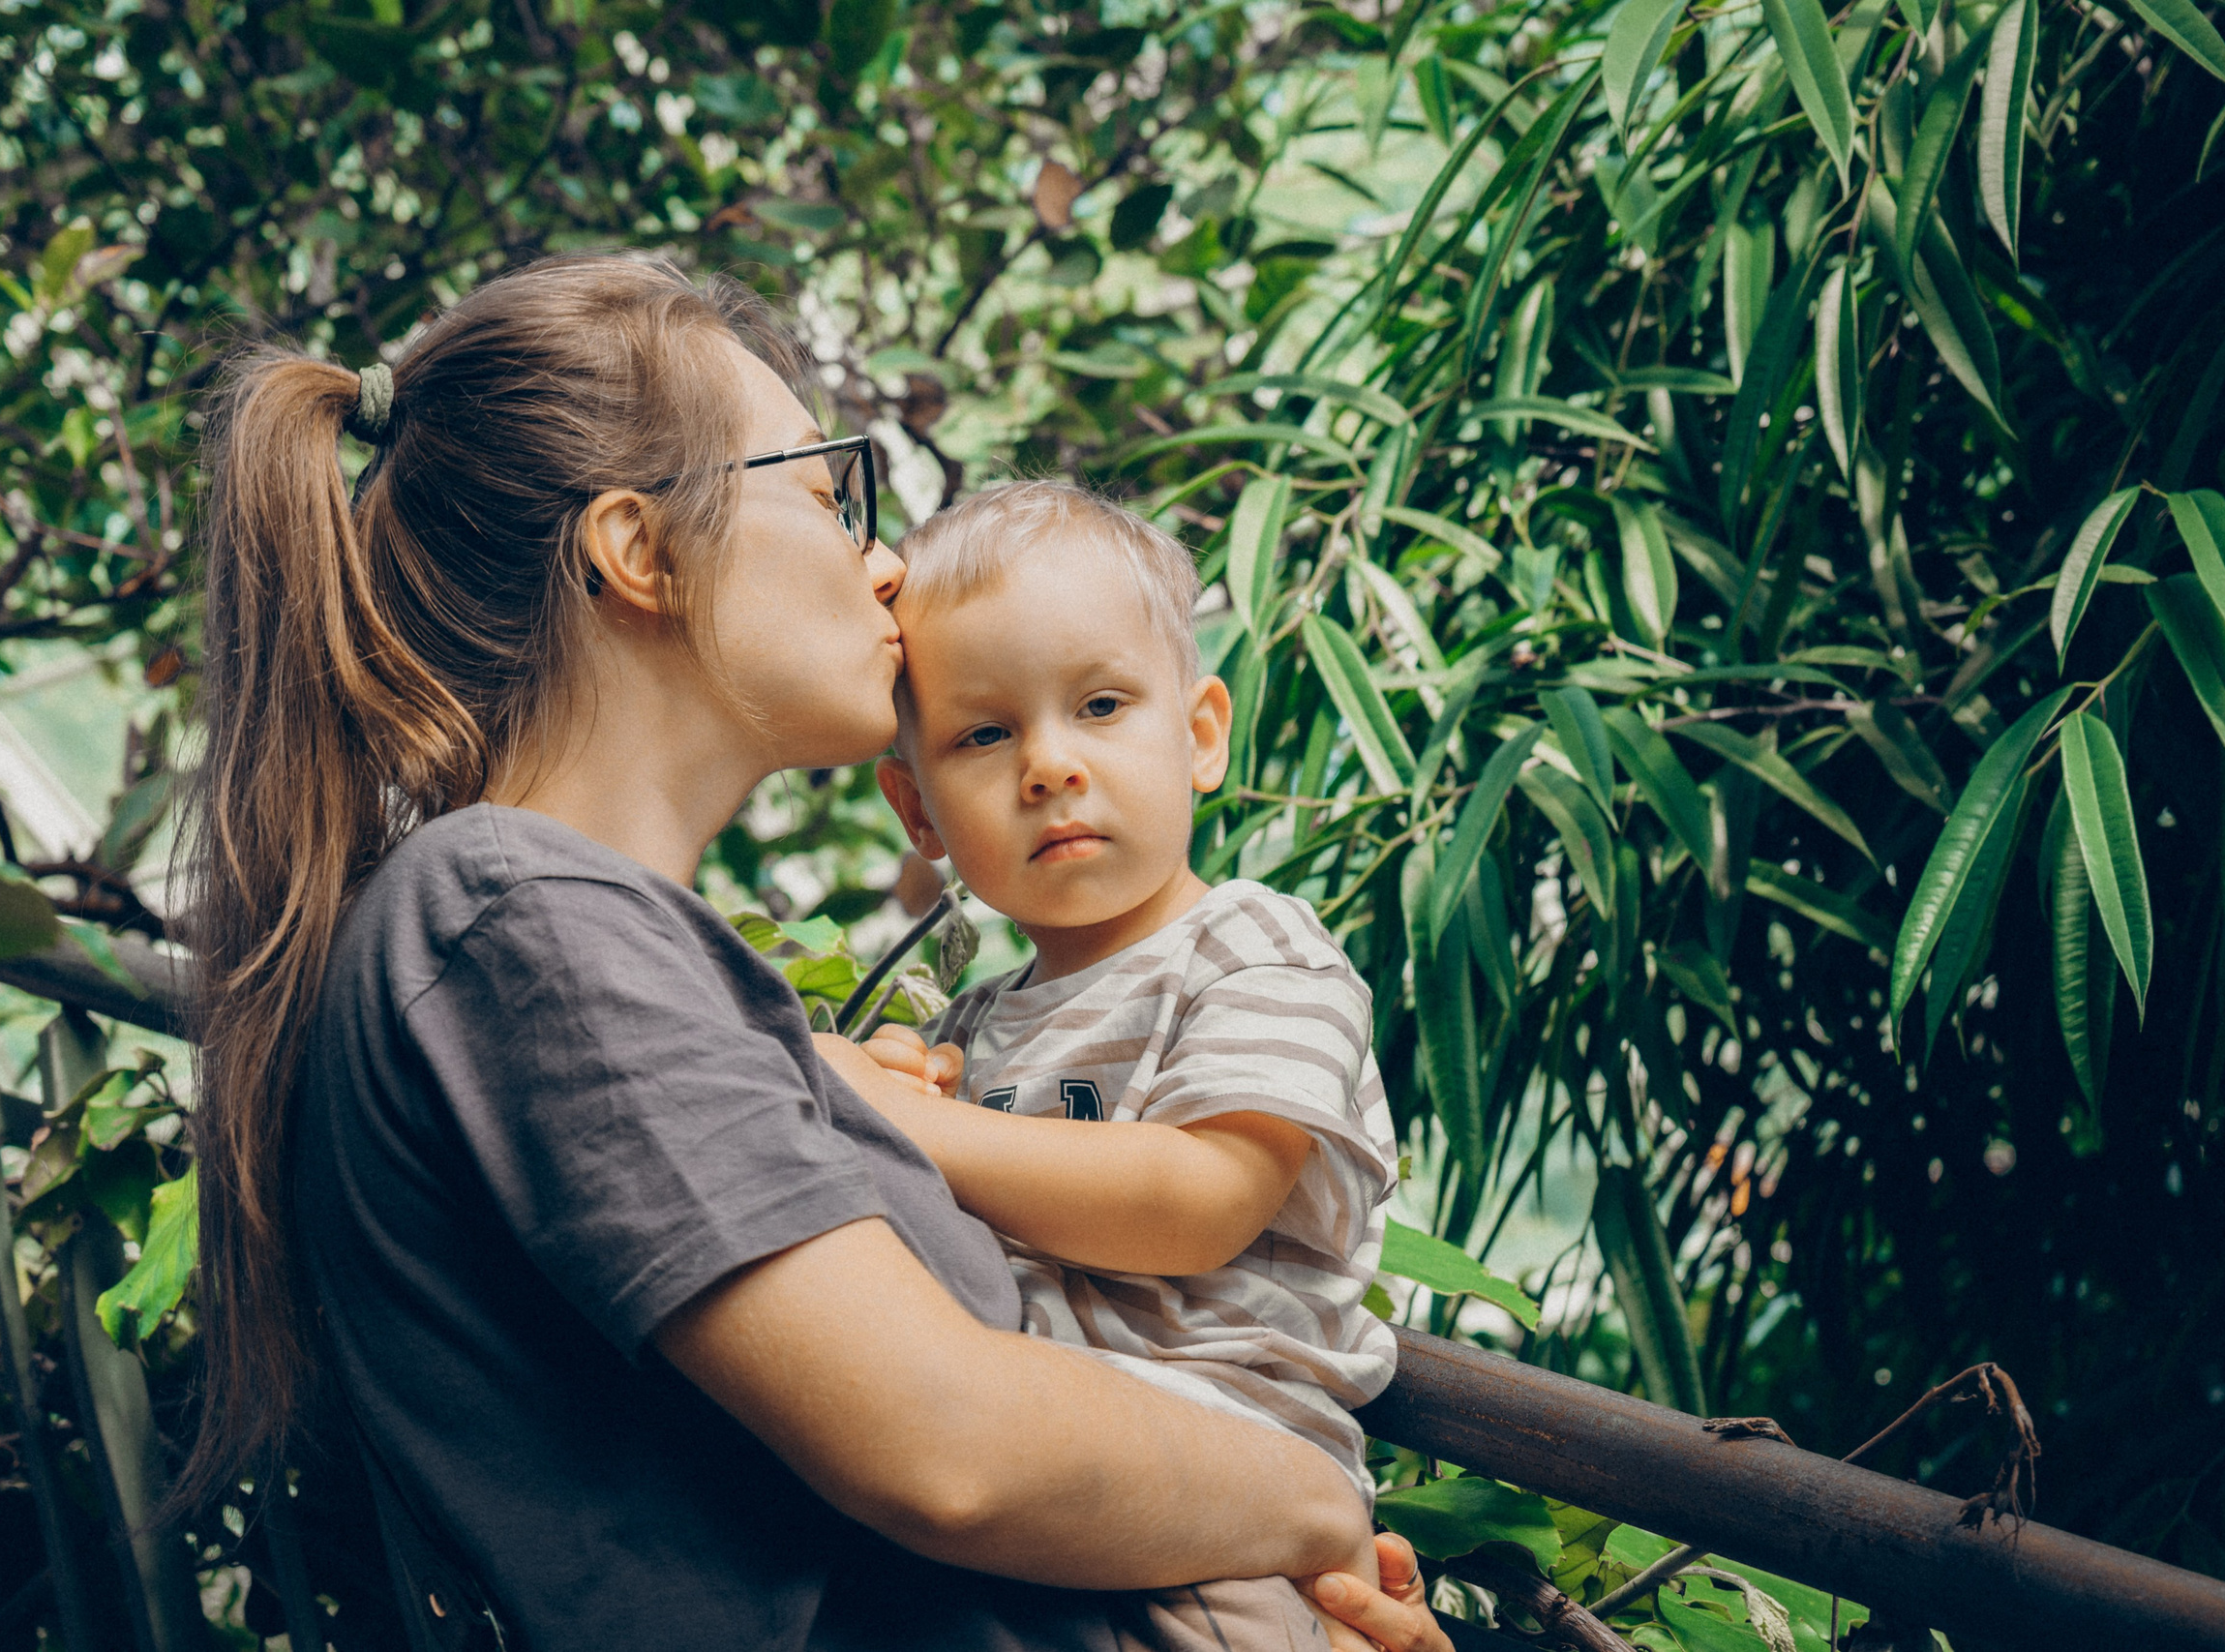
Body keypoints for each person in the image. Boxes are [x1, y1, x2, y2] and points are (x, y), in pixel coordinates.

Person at [177, 251, 1456, 1652]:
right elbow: (949, 1447)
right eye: (826, 490)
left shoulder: (554, 929)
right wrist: (1309, 1499)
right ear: (641, 550)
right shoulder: (516, 917)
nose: (889, 560)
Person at [835, 480, 1398, 1652]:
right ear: (918, 809)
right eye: (983, 735)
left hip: (1222, 1505)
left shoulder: (1252, 947)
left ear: (1197, 735)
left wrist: (924, 1131)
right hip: (1053, 1480)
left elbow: (1199, 1205)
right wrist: (895, 1105)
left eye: (1098, 705)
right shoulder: (982, 1018)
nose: (1047, 765)